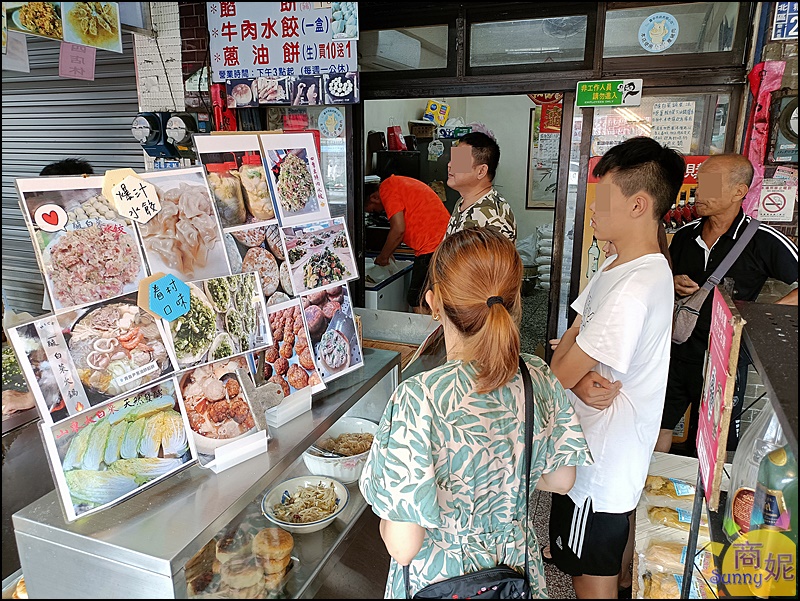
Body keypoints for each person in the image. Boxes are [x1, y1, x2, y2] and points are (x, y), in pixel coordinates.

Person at [359, 227, 592, 599]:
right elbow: (562, 480)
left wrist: (389, 521)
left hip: (440, 579)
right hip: (514, 573)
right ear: (515, 303)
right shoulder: (536, 375)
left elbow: (404, 546)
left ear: (434, 303)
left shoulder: (419, 397)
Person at [547, 136, 684, 599]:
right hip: (596, 447)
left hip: (600, 463)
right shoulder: (617, 266)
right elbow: (567, 345)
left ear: (638, 205)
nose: (593, 208)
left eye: (603, 197)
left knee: (591, 578)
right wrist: (575, 370)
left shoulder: (635, 285)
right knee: (595, 561)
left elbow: (558, 371)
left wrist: (571, 370)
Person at [655, 154, 798, 455]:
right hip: (676, 350)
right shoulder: (684, 236)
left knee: (712, 438)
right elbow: (658, 285)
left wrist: (757, 319)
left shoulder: (761, 239)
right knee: (658, 424)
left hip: (724, 358)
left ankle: (705, 500)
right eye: (699, 183)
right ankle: (648, 494)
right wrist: (672, 282)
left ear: (739, 191)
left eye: (711, 185)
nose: (699, 192)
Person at [365, 175, 449, 312]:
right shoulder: (396, 184)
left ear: (374, 197)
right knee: (433, 296)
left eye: (374, 210)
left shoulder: (387, 189)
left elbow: (398, 229)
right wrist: (390, 252)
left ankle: (423, 333)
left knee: (417, 299)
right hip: (441, 240)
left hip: (432, 244)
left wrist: (383, 256)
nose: (380, 212)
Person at [446, 131, 517, 241]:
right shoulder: (462, 202)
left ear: (481, 171)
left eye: (459, 160)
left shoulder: (494, 217)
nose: (450, 165)